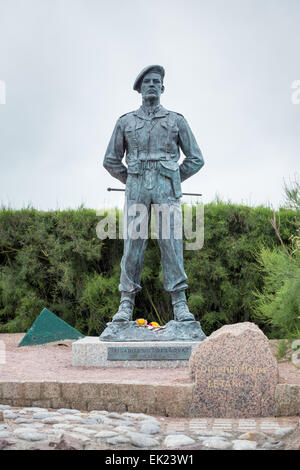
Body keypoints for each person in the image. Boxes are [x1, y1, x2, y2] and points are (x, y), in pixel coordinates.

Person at [103, 65, 204, 322]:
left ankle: (180, 303)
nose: (151, 84)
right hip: (137, 188)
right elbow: (111, 160)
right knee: (133, 245)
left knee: (172, 244)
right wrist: (130, 180)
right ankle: (126, 302)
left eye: (155, 81)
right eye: (146, 81)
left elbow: (196, 158)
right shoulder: (125, 122)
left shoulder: (176, 120)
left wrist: (172, 179)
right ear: (140, 89)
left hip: (167, 189)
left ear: (162, 88)